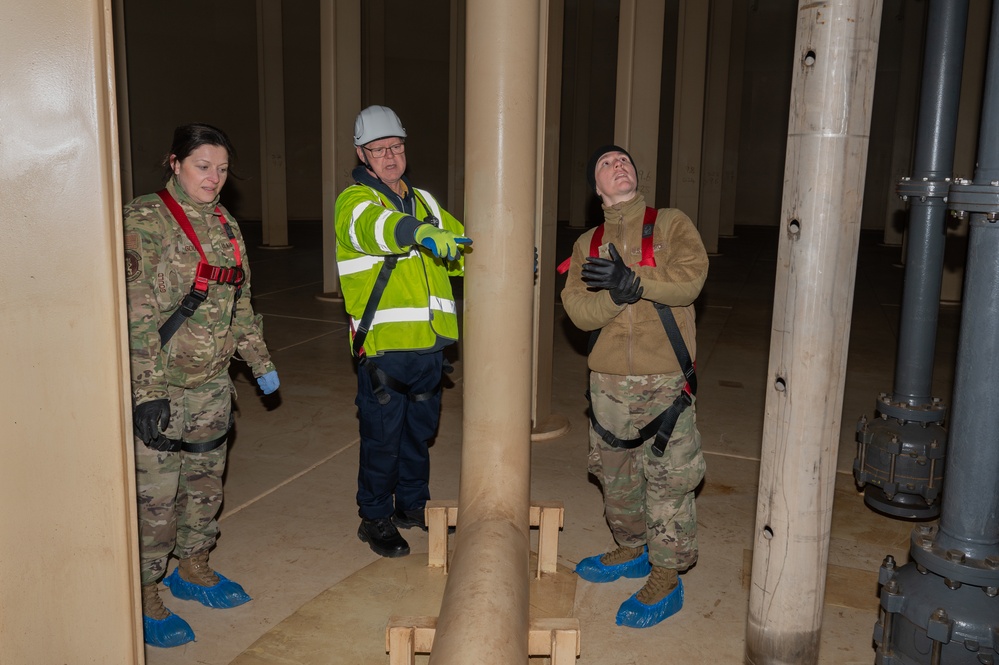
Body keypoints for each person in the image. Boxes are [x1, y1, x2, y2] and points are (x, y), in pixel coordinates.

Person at [123, 123, 280, 648]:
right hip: (163, 384)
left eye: (222, 168)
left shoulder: (227, 225)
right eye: (202, 166)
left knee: (204, 483)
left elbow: (242, 303)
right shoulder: (146, 221)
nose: (214, 178)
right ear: (175, 163)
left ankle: (193, 565)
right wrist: (146, 392)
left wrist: (258, 361)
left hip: (213, 383)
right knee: (156, 497)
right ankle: (145, 589)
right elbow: (135, 315)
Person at [561, 145, 708, 629]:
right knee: (616, 477)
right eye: (605, 163)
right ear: (596, 187)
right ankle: (631, 548)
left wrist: (635, 280)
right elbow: (579, 311)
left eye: (623, 160)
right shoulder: (587, 243)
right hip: (606, 384)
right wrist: (615, 299)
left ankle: (666, 575)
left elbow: (689, 281)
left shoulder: (670, 223)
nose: (617, 165)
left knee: (669, 482)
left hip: (664, 379)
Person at [334, 106, 471, 559]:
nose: (390, 156)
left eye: (396, 147)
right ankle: (374, 516)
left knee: (420, 433)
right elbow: (376, 230)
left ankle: (413, 505)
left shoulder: (426, 201)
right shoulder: (355, 202)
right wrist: (418, 232)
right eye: (379, 149)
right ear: (362, 153)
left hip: (430, 345)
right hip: (386, 349)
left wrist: (500, 255)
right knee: (382, 438)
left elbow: (460, 244)